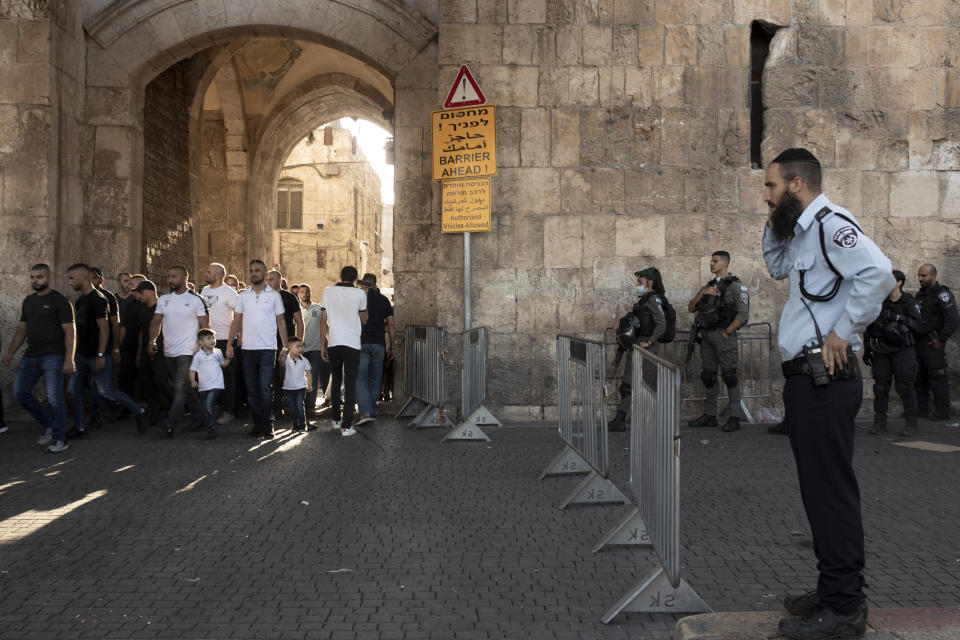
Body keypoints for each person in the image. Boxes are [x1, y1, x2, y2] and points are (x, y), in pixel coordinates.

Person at [762, 148, 892, 640]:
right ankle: (831, 590)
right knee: (819, 495)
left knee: (831, 495)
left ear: (796, 182)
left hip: (825, 376)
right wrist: (775, 220)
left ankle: (844, 608)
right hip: (808, 380)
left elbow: (877, 272)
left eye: (772, 187)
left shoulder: (831, 223)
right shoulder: (800, 229)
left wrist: (842, 329)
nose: (767, 196)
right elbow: (777, 267)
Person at [66, 263, 147, 438]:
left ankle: (138, 411)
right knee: (74, 389)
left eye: (72, 278)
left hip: (98, 354)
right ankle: (79, 427)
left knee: (105, 390)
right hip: (81, 354)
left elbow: (106, 328)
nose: (70, 282)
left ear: (83, 278)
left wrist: (104, 353)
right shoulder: (80, 301)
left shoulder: (100, 299)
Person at [3, 264, 76, 452]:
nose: (35, 280)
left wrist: (70, 358)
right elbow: (22, 330)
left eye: (39, 277)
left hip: (54, 355)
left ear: (49, 278)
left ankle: (60, 440)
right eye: (33, 277)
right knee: (20, 392)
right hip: (31, 355)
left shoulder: (59, 300)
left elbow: (70, 332)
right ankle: (49, 425)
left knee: (54, 397)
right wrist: (10, 352)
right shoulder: (28, 301)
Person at [687, 251, 750, 432]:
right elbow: (691, 308)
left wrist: (727, 332)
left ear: (725, 264)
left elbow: (743, 314)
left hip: (724, 336)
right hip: (707, 336)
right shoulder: (708, 286)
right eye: (711, 261)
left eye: (715, 261)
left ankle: (735, 416)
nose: (711, 264)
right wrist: (702, 294)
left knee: (729, 375)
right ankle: (709, 415)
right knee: (708, 376)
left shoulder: (736, 286)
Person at [226, 260, 288, 439]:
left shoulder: (274, 296)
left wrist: (285, 346)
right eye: (251, 270)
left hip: (268, 348)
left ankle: (268, 425)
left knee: (266, 388)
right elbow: (236, 321)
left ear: (265, 273)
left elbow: (281, 321)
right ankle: (258, 424)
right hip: (248, 349)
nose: (254, 273)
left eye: (257, 270)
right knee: (252, 389)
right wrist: (230, 343)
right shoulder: (243, 296)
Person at [147, 265, 209, 437]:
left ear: (184, 278)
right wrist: (151, 340)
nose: (170, 280)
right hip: (169, 350)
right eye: (169, 276)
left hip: (188, 350)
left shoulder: (196, 300)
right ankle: (201, 418)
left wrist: (202, 349)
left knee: (180, 388)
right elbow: (155, 321)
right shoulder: (164, 299)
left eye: (174, 276)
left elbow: (205, 327)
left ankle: (170, 424)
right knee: (185, 387)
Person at [862, 270, 923, 437]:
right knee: (880, 387)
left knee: (905, 386)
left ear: (899, 283)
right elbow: (870, 326)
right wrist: (867, 348)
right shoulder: (880, 302)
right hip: (881, 349)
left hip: (903, 351)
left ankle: (911, 423)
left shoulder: (909, 302)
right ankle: (879, 423)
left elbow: (919, 326)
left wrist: (897, 317)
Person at [608, 266, 667, 431]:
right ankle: (621, 418)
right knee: (627, 384)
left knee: (648, 385)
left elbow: (662, 324)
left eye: (640, 281)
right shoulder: (644, 299)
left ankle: (653, 421)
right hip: (637, 345)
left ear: (650, 282)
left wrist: (650, 341)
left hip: (646, 347)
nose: (637, 284)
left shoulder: (653, 300)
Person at [319, 266, 368, 437]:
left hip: (333, 341)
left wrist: (322, 345)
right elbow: (364, 320)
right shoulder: (360, 294)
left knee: (336, 379)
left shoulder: (328, 291)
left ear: (341, 276)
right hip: (352, 342)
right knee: (350, 383)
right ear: (355, 278)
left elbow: (323, 319)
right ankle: (346, 426)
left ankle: (336, 420)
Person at [914, 263, 960, 422]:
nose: (920, 279)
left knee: (937, 377)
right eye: (919, 275)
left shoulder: (942, 295)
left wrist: (941, 339)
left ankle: (942, 411)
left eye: (923, 276)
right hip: (919, 342)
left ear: (933, 276)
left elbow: (953, 320)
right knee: (919, 377)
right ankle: (921, 410)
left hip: (933, 343)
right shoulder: (920, 295)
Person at [200, 262, 239, 424]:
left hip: (224, 339)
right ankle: (214, 407)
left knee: (228, 376)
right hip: (208, 340)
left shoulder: (229, 293)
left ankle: (229, 411)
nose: (206, 274)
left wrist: (233, 341)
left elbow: (239, 316)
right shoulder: (204, 290)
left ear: (218, 275)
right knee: (211, 375)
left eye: (209, 272)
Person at [354, 273, 395, 425]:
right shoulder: (384, 300)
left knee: (361, 378)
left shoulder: (358, 297)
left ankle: (365, 412)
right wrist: (392, 346)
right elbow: (391, 325)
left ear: (364, 283)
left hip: (362, 342)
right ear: (375, 283)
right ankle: (371, 411)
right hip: (379, 344)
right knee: (375, 379)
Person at [132, 280, 173, 424]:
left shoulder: (163, 307)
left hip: (161, 350)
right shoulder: (141, 308)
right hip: (145, 350)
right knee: (146, 382)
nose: (139, 296)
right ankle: (154, 412)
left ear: (150, 292)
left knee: (161, 381)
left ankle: (178, 406)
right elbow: (142, 332)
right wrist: (139, 353)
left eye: (141, 293)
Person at [266, 269, 303, 416]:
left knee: (288, 375)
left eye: (272, 279)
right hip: (268, 342)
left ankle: (292, 406)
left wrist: (298, 344)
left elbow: (299, 321)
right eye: (267, 279)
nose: (268, 281)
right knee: (272, 377)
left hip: (286, 343)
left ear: (280, 281)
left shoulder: (289, 297)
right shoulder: (264, 297)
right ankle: (276, 409)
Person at [189, 328, 231, 439]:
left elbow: (224, 364)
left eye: (213, 338)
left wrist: (229, 358)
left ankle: (212, 428)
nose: (212, 340)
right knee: (206, 407)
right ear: (201, 342)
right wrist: (193, 380)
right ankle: (210, 426)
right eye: (209, 338)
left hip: (216, 384)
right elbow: (192, 369)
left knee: (208, 404)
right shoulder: (198, 355)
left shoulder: (218, 352)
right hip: (203, 386)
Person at [299, 283, 329, 416]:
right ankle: (300, 404)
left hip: (316, 348)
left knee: (313, 377)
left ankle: (310, 406)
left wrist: (329, 343)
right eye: (301, 292)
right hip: (301, 350)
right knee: (301, 378)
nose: (304, 294)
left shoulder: (318, 308)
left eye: (307, 291)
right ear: (298, 294)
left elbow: (325, 326)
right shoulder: (297, 311)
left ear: (310, 293)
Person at [279, 336, 316, 431]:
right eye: (297, 346)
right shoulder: (286, 360)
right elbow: (280, 363)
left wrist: (309, 385)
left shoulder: (304, 360)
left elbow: (309, 374)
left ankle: (303, 424)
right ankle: (295, 425)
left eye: (301, 346)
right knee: (292, 408)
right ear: (290, 347)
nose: (300, 349)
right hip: (288, 388)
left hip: (301, 387)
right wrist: (283, 353)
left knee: (300, 405)